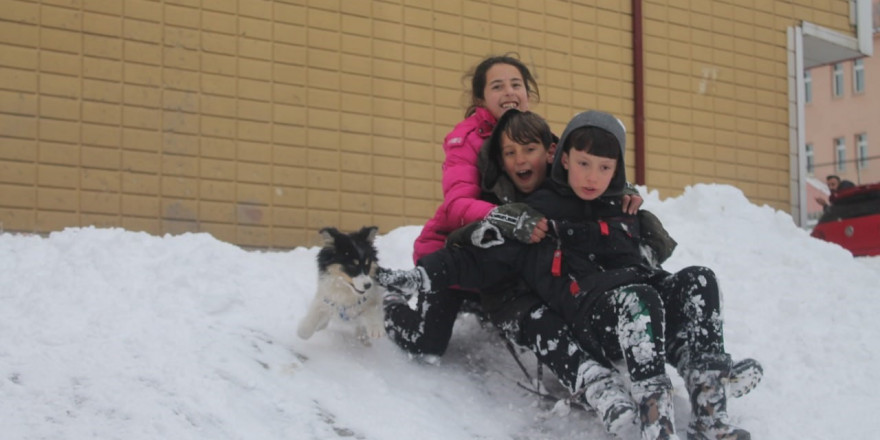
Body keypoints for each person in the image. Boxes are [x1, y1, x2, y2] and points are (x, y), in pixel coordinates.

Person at [379, 109, 760, 440]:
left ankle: (709, 401)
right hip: (592, 313)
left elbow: (649, 259)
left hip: (638, 301)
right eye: (583, 164)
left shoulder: (620, 206)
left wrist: (646, 229)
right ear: (563, 159)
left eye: (604, 168)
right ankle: (655, 422)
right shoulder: (539, 212)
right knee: (639, 300)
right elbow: (481, 256)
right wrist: (422, 276)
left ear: (617, 170)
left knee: (699, 280)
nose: (593, 176)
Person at [383, 55, 644, 437]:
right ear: (480, 98)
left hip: (512, 255)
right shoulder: (466, 140)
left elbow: (585, 168)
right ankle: (391, 302)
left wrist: (623, 190)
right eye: (497, 85)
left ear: (528, 92)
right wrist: (506, 217)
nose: (509, 91)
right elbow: (456, 206)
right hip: (457, 252)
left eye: (516, 84)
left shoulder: (542, 136)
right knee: (427, 344)